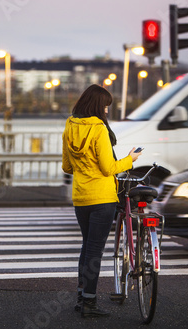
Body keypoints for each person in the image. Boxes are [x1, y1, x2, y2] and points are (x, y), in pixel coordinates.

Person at [62, 84, 142, 318]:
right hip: (103, 198)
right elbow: (109, 168)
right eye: (105, 107)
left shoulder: (70, 125)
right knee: (95, 251)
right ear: (97, 106)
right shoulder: (99, 129)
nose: (107, 111)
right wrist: (130, 159)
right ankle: (90, 302)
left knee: (87, 247)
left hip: (81, 197)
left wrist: (83, 166)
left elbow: (67, 166)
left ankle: (82, 297)